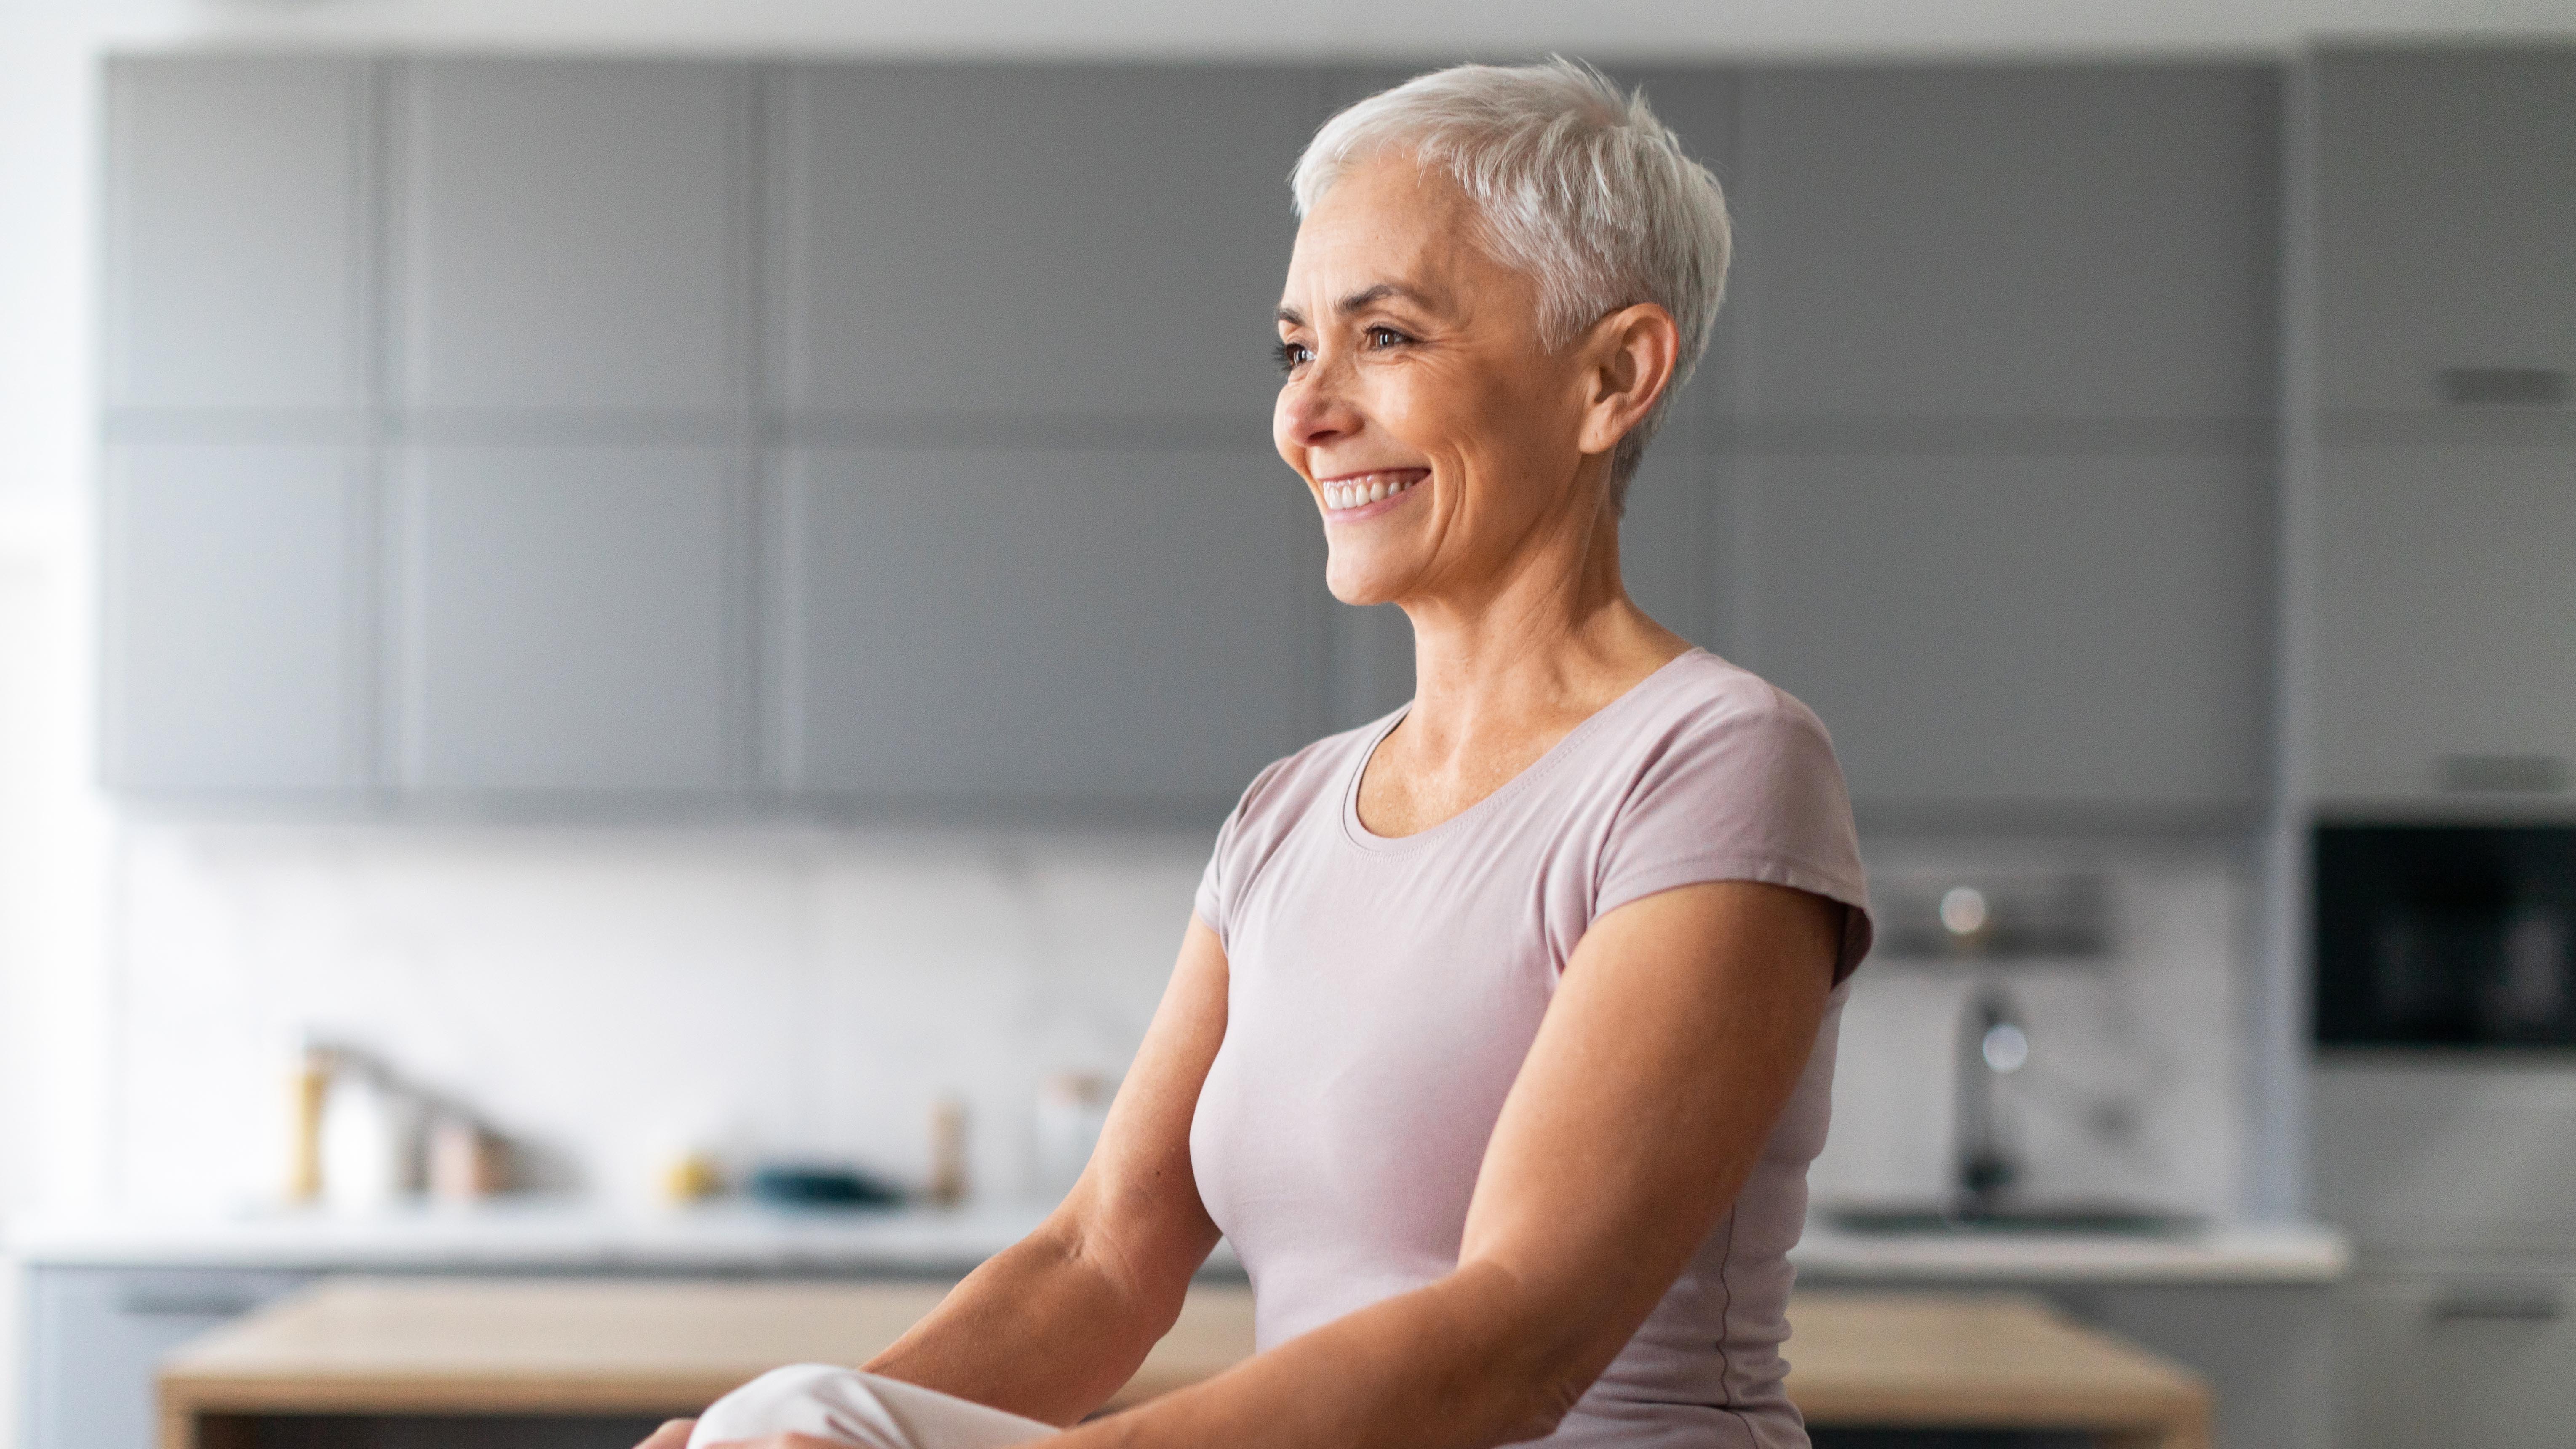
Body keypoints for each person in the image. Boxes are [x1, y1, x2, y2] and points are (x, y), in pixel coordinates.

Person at [651, 56, 1871, 1449]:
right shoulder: (1287, 816)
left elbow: (1515, 1342)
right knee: (775, 1418)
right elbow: (1102, 1259)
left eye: (1389, 339)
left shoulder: (1716, 761)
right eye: (1299, 350)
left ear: (1613, 376)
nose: (1307, 414)